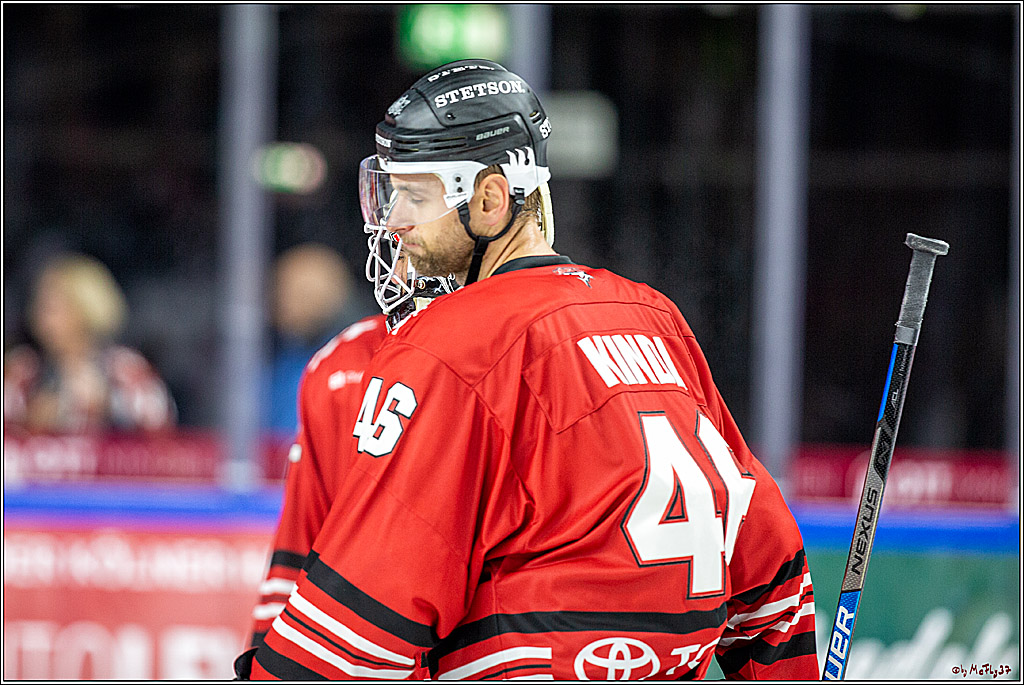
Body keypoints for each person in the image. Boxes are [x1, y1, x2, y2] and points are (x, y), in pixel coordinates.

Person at [242, 59, 817, 680]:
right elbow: (770, 571)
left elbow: (360, 629)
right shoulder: (653, 316)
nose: (393, 222)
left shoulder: (447, 345)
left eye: (413, 194)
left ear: (489, 198)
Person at [3, 252, 176, 433]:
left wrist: (109, 404)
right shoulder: (24, 368)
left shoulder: (123, 367)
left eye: (54, 308)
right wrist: (30, 419)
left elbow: (161, 421)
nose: (42, 317)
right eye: (39, 305)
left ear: (85, 310)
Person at [263, 243, 369, 437]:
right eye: (279, 290)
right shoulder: (275, 356)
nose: (280, 301)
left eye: (298, 294)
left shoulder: (352, 363)